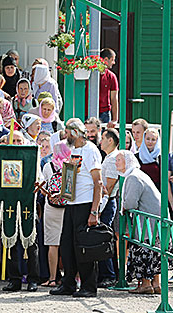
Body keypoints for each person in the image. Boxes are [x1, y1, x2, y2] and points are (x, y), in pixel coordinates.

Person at [50, 118, 102, 298]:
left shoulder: (91, 151)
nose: (65, 136)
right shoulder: (74, 150)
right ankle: (68, 283)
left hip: (85, 204)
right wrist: (63, 194)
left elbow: (98, 183)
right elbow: (73, 178)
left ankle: (89, 286)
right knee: (67, 245)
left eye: (67, 132)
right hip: (72, 204)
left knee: (84, 247)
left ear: (75, 133)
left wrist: (94, 211)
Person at [116, 150, 161, 294]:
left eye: (118, 160)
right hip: (155, 220)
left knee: (144, 249)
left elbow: (130, 203)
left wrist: (123, 206)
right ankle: (156, 284)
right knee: (155, 251)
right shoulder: (138, 174)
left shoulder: (133, 177)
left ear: (127, 161)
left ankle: (145, 284)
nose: (115, 163)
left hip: (148, 222)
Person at [2, 131, 40, 293]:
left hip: (27, 206)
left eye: (19, 140)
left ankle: (33, 279)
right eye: (13, 140)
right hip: (10, 206)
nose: (16, 143)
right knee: (11, 244)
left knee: (31, 245)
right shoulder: (3, 158)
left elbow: (38, 178)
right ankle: (15, 280)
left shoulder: (31, 158)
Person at [40, 142, 71, 288]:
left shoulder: (48, 166)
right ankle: (72, 277)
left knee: (53, 244)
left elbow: (43, 187)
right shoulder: (71, 166)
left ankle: (52, 278)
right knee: (69, 244)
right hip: (68, 207)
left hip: (51, 208)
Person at [97, 128, 120, 288]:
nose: (100, 141)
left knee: (104, 239)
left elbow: (108, 188)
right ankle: (107, 274)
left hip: (107, 203)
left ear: (110, 140)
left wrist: (98, 209)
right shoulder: (109, 158)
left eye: (103, 138)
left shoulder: (112, 160)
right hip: (106, 202)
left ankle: (109, 275)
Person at [99, 48, 119, 125]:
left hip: (105, 113)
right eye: (113, 60)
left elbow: (114, 98)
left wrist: (114, 119)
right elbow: (114, 98)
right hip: (87, 112)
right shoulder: (90, 75)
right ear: (106, 59)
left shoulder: (111, 76)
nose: (114, 63)